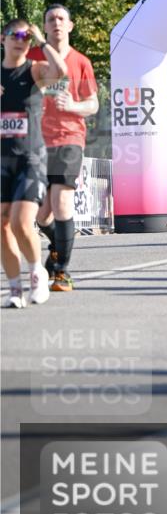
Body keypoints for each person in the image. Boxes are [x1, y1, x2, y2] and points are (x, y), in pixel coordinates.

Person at [28, 4, 98, 293]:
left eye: (61, 19)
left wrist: (73, 106)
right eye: (50, 19)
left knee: (61, 203)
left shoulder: (81, 61)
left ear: (70, 26)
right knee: (41, 216)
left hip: (69, 139)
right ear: (44, 27)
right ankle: (58, 251)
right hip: (35, 142)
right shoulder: (31, 59)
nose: (56, 23)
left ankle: (61, 272)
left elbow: (93, 105)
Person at [2, 19, 67, 307]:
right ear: (3, 38)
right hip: (2, 160)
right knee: (2, 225)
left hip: (31, 157)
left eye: (26, 36)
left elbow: (60, 71)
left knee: (20, 221)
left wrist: (42, 41)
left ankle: (36, 272)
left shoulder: (34, 70)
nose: (21, 40)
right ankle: (15, 289)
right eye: (15, 34)